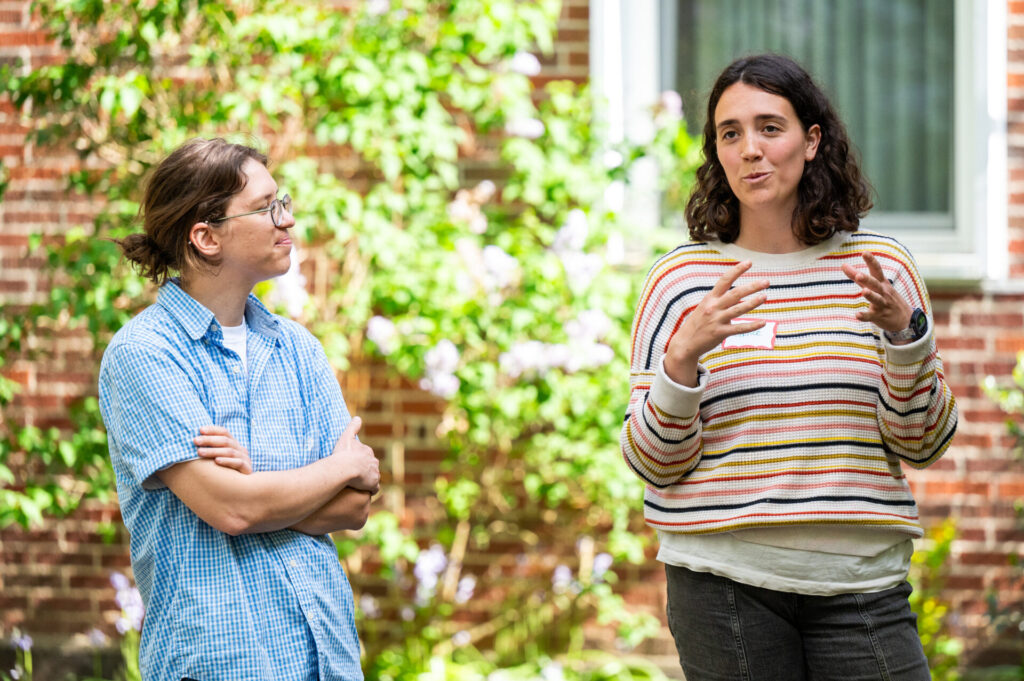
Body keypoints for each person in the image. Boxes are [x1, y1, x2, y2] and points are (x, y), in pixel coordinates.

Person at [620, 54, 957, 681]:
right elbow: (651, 461)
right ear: (716, 152)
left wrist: (905, 338)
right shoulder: (680, 281)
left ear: (811, 140)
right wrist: (680, 361)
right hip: (721, 586)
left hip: (862, 584)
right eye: (730, 132)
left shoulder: (881, 270)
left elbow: (924, 442)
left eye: (769, 127)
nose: (750, 148)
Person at [98, 138, 380, 681]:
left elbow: (353, 508)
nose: (288, 220)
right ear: (205, 237)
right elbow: (233, 510)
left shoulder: (297, 348)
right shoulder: (145, 355)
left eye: (285, 202)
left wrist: (257, 484)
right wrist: (337, 467)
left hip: (325, 656)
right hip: (218, 662)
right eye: (268, 207)